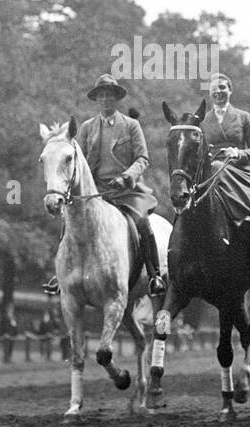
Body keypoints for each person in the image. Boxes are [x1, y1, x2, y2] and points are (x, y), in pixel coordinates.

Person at [43, 73, 164, 297]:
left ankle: (154, 275)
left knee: (142, 223)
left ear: (116, 99)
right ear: (97, 99)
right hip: (97, 192)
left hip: (127, 190)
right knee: (69, 220)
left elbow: (142, 159)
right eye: (101, 96)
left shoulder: (131, 125)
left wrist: (127, 176)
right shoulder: (88, 128)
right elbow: (80, 162)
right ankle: (61, 275)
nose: (105, 99)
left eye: (109, 95)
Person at [199, 73, 250, 272]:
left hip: (240, 169)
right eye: (214, 89)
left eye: (222, 87)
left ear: (230, 90)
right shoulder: (202, 120)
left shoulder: (243, 117)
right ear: (209, 93)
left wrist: (238, 153)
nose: (218, 92)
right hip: (211, 169)